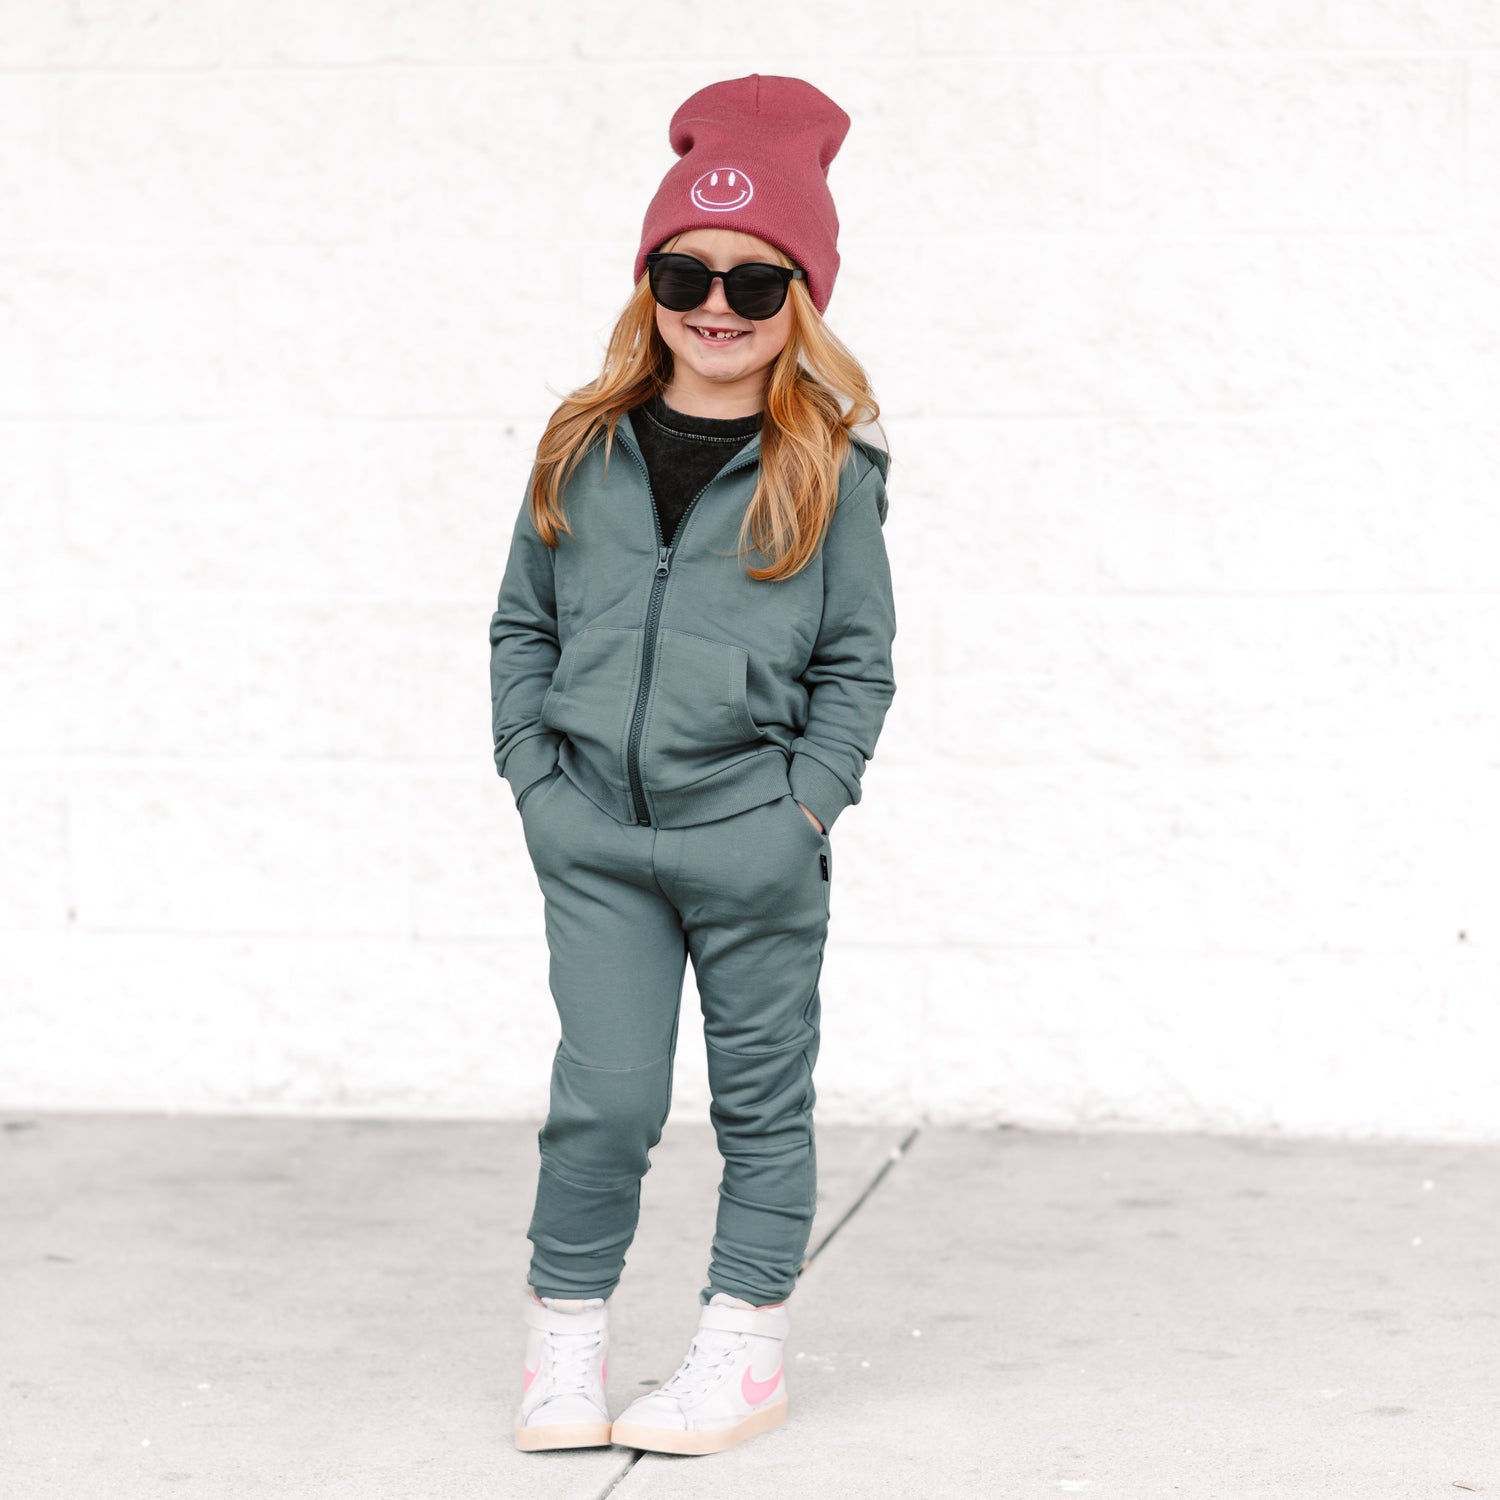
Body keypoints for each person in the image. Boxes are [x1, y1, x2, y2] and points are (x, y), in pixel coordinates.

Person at [489, 73, 897, 1458]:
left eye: (755, 281)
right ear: (649, 284)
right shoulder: (581, 443)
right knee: (602, 1101)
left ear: (801, 299)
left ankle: (744, 1356)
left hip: (751, 837)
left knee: (761, 1106)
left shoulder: (829, 468)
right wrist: (533, 775)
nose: (717, 305)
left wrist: (803, 809)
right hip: (593, 833)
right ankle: (565, 1339)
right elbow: (522, 625)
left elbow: (857, 665)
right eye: (686, 273)